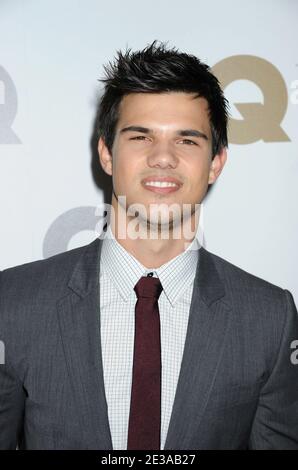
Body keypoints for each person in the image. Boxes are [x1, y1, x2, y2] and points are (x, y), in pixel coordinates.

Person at [0, 40, 298, 450]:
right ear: (106, 153)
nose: (163, 157)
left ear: (216, 163)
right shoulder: (13, 303)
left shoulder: (268, 320)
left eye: (187, 140)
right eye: (140, 137)